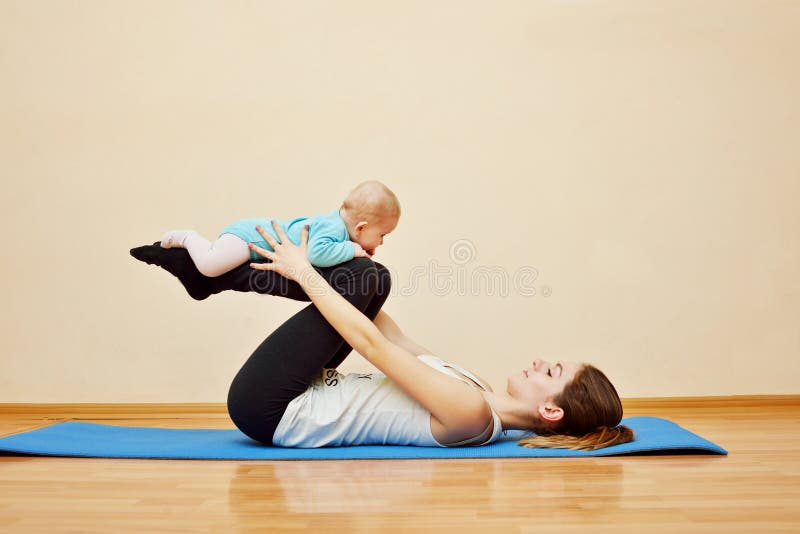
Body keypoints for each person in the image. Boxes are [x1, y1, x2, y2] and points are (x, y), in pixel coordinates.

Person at [130, 221, 634, 450]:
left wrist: (308, 274)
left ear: (552, 410)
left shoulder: (473, 415)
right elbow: (389, 334)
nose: (540, 361)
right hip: (296, 392)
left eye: (552, 373)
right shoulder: (474, 389)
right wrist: (348, 273)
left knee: (366, 282)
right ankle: (211, 277)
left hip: (273, 411)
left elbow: (372, 347)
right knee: (372, 279)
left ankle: (212, 276)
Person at [156, 180, 400, 280]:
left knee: (218, 273)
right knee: (210, 266)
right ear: (361, 228)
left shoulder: (336, 229)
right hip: (247, 237)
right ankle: (188, 238)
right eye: (382, 235)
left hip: (252, 245)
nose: (382, 242)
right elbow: (317, 254)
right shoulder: (333, 229)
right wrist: (352, 249)